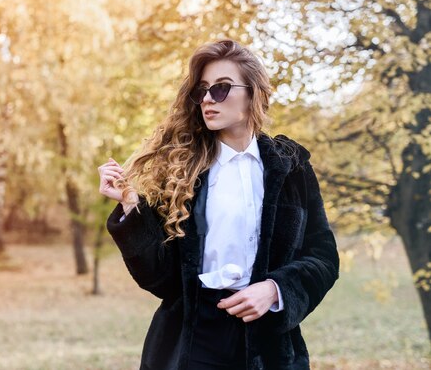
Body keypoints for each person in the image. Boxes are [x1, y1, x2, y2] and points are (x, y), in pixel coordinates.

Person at [97, 39, 339, 370]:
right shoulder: (182, 171)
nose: (209, 99)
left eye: (222, 89)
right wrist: (129, 204)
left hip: (269, 343)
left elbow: (323, 257)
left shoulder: (291, 166)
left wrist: (274, 289)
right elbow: (160, 279)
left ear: (253, 92)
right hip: (194, 342)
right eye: (203, 90)